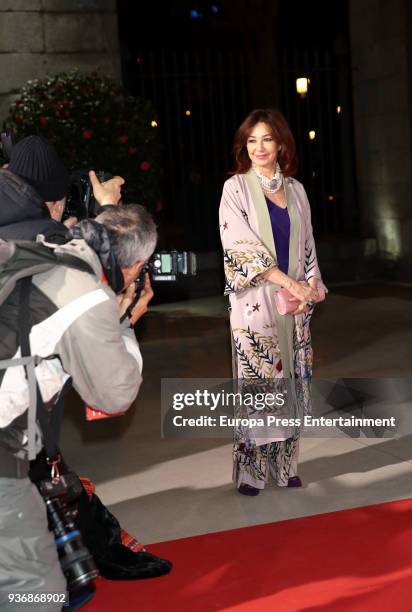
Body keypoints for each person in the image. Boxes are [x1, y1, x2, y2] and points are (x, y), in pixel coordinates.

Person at [219, 108, 326, 495]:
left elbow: (309, 244)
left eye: (266, 139)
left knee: (293, 379)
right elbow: (240, 247)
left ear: (281, 143)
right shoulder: (236, 189)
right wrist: (289, 283)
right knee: (260, 380)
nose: (259, 147)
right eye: (251, 140)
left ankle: (286, 465)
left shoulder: (296, 190)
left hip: (294, 304)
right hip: (254, 304)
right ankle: (253, 471)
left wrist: (310, 287)